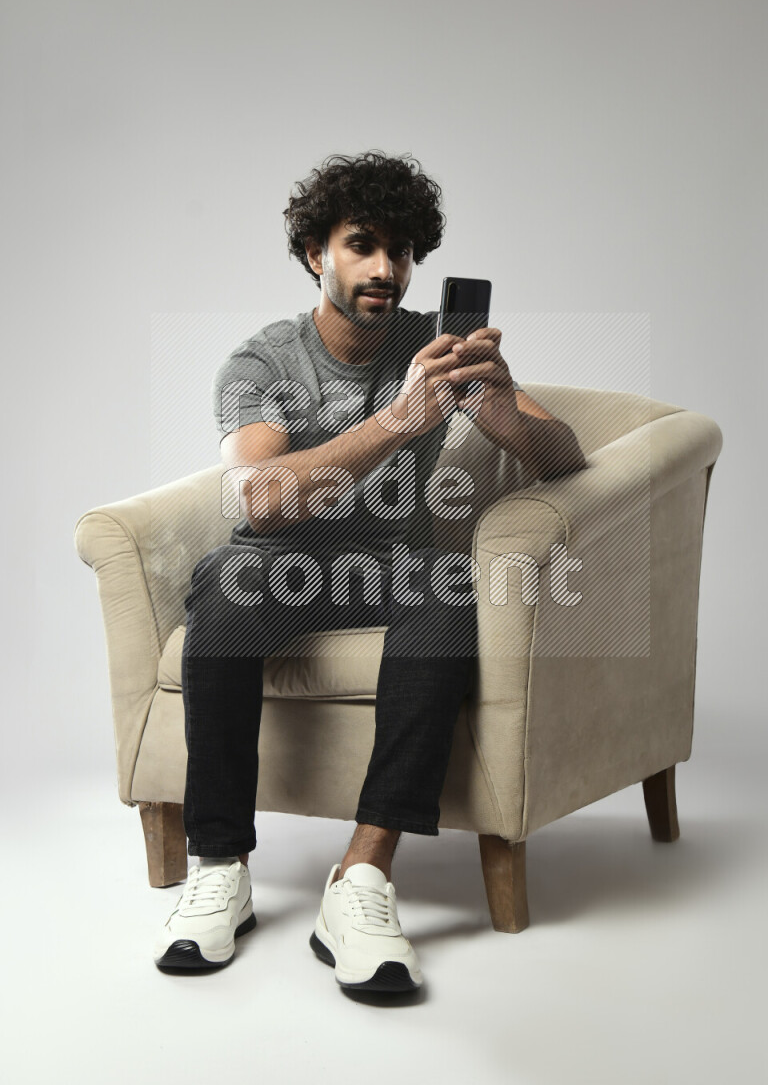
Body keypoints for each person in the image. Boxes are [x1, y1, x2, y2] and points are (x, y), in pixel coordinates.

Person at [153, 150, 586, 993]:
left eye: (401, 251)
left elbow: (564, 458)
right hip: (279, 562)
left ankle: (363, 875)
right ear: (318, 255)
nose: (385, 269)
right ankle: (219, 867)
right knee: (225, 596)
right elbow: (263, 502)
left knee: (452, 589)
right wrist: (396, 422)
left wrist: (504, 412)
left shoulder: (436, 342)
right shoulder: (261, 365)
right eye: (362, 245)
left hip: (392, 566)